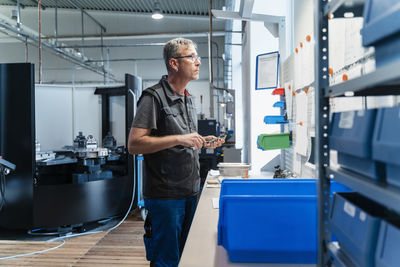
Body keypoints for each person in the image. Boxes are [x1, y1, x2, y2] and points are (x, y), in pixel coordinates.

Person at [128, 37, 224, 267]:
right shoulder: (153, 98)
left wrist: (200, 142)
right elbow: (134, 144)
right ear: (174, 63)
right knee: (167, 261)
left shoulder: (187, 99)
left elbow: (180, 142)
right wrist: (181, 138)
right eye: (191, 57)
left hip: (190, 192)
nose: (198, 62)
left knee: (187, 258)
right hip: (166, 198)